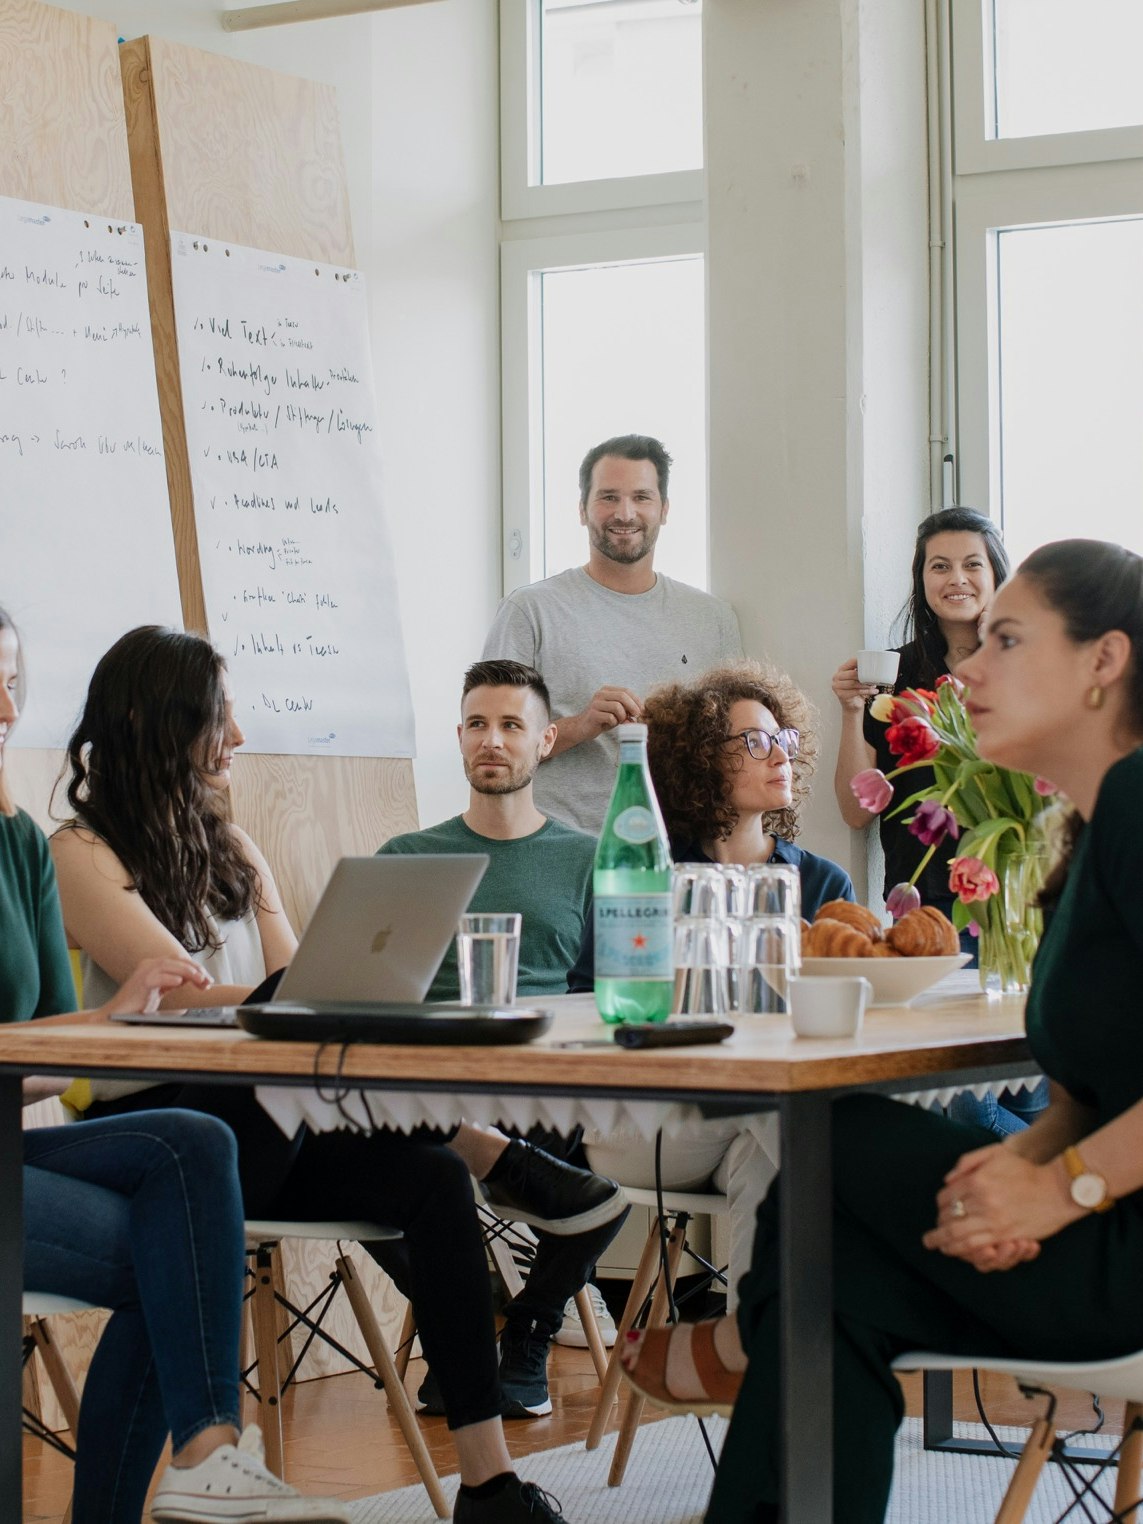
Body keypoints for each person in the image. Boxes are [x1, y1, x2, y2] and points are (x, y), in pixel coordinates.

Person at [626, 538, 1143, 1524]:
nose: (968, 669)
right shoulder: (1087, 829)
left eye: (1007, 640)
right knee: (830, 1282)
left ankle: (736, 1344)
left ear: (1102, 662)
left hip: (1125, 1247)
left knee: (837, 1135)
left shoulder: (1141, 804)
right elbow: (1088, 1090)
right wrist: (1022, 1167)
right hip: (1091, 1224)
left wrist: (1059, 1190)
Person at [49, 625, 576, 1524]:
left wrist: (333, 987)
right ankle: (475, 1135)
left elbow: (300, 994)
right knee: (304, 1017)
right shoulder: (80, 849)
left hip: (276, 1108)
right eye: (220, 716)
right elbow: (174, 990)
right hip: (166, 1121)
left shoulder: (237, 849)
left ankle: (488, 1484)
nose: (240, 736)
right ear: (152, 721)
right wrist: (303, 992)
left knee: (435, 1184)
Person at [2, 602, 350, 1523]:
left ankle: (206, 1459)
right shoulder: (76, 848)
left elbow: (38, 1047)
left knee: (193, 1150)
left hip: (22, 1144)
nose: (5, 711)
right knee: (184, 1259)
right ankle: (193, 1464)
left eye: (9, 686)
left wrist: (107, 1016)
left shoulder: (17, 845)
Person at [377, 657, 628, 1417]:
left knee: (612, 1178)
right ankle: (469, 1307)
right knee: (342, 1145)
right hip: (423, 1092)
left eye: (512, 725)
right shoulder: (404, 858)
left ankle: (528, 1329)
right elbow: (368, 996)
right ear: (458, 738)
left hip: (546, 1083)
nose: (493, 740)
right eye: (478, 724)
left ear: (545, 741)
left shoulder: (587, 857)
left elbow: (611, 995)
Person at [571, 661, 854, 1313]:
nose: (777, 753)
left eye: (781, 738)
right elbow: (591, 1001)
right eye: (752, 741)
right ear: (698, 761)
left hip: (754, 1121)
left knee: (781, 1152)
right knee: (792, 1124)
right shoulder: (645, 873)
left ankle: (761, 1365)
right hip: (645, 1123)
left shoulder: (823, 883)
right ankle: (767, 1354)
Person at [831, 506, 1047, 1137]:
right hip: (923, 916)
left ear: (997, 574)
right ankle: (1041, 1184)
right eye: (940, 565)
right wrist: (850, 711)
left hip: (1016, 912)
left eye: (972, 564)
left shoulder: (1029, 671)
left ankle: (1038, 1183)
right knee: (956, 1094)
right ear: (921, 580)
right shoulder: (891, 677)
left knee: (1033, 1088)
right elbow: (854, 808)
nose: (957, 578)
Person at [482, 434, 743, 835]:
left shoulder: (713, 618)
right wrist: (580, 725)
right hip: (559, 853)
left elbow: (732, 751)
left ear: (664, 509)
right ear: (583, 510)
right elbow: (491, 744)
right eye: (608, 498)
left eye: (641, 497)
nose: (624, 513)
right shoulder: (530, 611)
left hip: (677, 852)